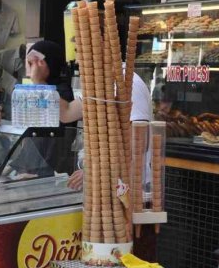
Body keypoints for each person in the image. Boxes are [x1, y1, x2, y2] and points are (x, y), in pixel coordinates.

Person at [67, 73, 153, 191]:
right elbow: (67, 113)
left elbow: (137, 145)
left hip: (129, 186)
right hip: (107, 184)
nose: (77, 61)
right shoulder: (100, 81)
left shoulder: (130, 84)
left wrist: (95, 172)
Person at [24, 40, 83, 175]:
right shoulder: (42, 91)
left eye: (33, 63)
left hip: (52, 174)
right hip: (35, 171)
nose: (32, 70)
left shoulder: (63, 93)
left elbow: (52, 142)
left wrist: (39, 81)